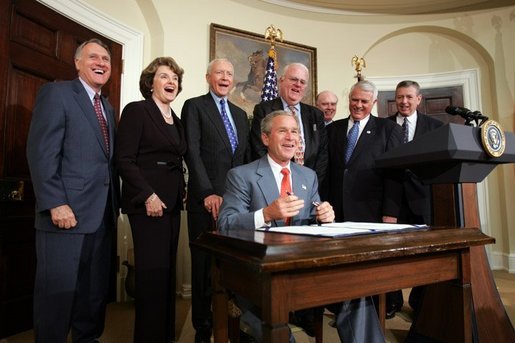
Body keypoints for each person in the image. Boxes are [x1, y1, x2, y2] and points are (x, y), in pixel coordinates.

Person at [26, 38, 119, 343]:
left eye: (106, 59)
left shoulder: (107, 106)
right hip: (65, 215)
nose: (101, 63)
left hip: (102, 215)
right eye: (93, 57)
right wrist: (55, 203)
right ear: (77, 62)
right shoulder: (58, 93)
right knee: (58, 295)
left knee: (92, 295)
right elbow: (41, 152)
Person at [218, 110, 335, 342]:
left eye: (295, 132)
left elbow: (313, 216)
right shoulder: (242, 175)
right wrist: (267, 213)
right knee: (276, 329)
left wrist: (325, 215)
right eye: (283, 131)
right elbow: (226, 223)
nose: (291, 137)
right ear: (265, 138)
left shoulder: (308, 176)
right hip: (258, 272)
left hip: (304, 266)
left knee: (358, 296)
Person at [322, 80, 403, 341]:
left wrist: (390, 212)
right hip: (335, 211)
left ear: (374, 103)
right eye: (355, 100)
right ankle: (345, 313)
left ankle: (369, 322)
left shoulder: (388, 129)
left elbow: (394, 174)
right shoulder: (332, 129)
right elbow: (326, 172)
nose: (358, 105)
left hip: (371, 212)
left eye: (364, 102)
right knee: (340, 268)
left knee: (368, 272)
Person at [115, 57, 187, 342]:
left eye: (175, 79)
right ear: (150, 82)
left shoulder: (177, 120)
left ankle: (165, 335)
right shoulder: (137, 110)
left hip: (171, 204)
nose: (171, 82)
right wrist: (148, 195)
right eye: (164, 76)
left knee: (167, 273)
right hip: (147, 204)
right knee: (151, 275)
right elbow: (124, 160)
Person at [182, 58, 251, 343]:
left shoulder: (240, 113)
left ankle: (233, 324)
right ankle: (203, 327)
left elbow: (245, 159)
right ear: (208, 76)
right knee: (203, 268)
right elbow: (192, 153)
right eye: (219, 72)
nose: (225, 77)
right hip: (206, 200)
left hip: (236, 204)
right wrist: (207, 191)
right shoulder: (194, 106)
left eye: (229, 74)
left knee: (234, 266)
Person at [386, 80, 443, 316]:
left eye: (409, 97)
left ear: (419, 99)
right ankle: (392, 301)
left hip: (424, 201)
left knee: (424, 255)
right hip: (393, 202)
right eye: (400, 97)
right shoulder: (384, 126)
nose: (404, 102)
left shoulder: (436, 126)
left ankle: (420, 303)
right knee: (391, 254)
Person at [251, 63, 328, 185]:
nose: (298, 85)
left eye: (302, 82)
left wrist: (312, 183)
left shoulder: (316, 114)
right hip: (275, 181)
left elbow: (322, 154)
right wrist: (280, 179)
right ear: (281, 81)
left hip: (309, 184)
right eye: (293, 79)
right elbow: (259, 148)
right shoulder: (264, 110)